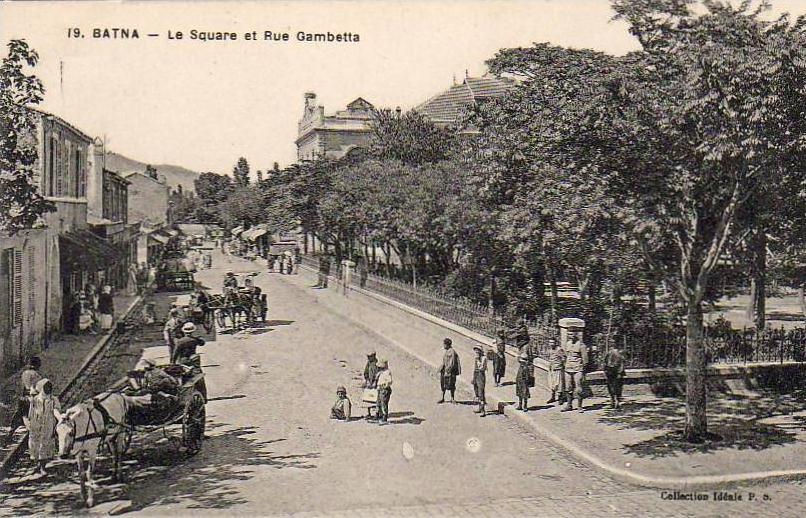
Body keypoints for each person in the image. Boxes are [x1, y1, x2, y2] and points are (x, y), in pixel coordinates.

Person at [27, 378, 61, 476]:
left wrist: (60, 419)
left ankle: (42, 467)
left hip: (48, 424)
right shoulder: (35, 400)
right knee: (35, 444)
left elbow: (56, 410)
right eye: (46, 387)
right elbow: (31, 413)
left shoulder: (53, 400)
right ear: (41, 388)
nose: (48, 389)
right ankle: (38, 465)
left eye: (49, 387)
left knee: (45, 444)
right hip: (36, 424)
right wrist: (29, 424)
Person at [562, 326, 589, 412]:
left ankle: (579, 406)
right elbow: (566, 356)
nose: (570, 336)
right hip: (568, 368)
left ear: (576, 334)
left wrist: (582, 371)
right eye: (569, 334)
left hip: (578, 369)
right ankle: (569, 405)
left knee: (579, 388)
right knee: (568, 387)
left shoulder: (581, 345)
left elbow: (585, 360)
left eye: (572, 334)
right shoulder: (567, 344)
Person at [603, 344, 627, 409]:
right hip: (611, 372)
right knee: (611, 387)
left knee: (617, 387)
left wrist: (620, 372)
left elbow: (622, 364)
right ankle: (613, 400)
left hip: (616, 372)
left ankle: (616, 401)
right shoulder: (609, 353)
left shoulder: (620, 353)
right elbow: (605, 362)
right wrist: (605, 370)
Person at [438, 338, 461, 404]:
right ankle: (442, 398)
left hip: (450, 372)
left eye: (444, 344)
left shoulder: (452, 352)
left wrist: (447, 371)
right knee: (443, 384)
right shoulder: (447, 351)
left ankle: (452, 398)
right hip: (444, 370)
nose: (443, 345)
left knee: (451, 384)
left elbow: (452, 363)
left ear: (447, 345)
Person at [547, 338, 566, 404]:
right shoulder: (550, 349)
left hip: (558, 369)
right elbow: (550, 358)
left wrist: (561, 365)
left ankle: (560, 397)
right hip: (551, 368)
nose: (551, 344)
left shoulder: (559, 349)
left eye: (553, 342)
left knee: (559, 384)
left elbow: (564, 358)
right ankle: (553, 397)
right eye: (550, 342)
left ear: (555, 343)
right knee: (552, 383)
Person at [375, 359, 392, 425]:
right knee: (378, 402)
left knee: (383, 404)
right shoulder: (381, 372)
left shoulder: (387, 372)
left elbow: (389, 381)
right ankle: (378, 415)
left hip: (384, 390)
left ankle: (384, 418)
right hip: (380, 389)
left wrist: (384, 386)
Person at [472, 346, 488, 416]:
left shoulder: (484, 358)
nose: (476, 352)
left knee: (481, 392)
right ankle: (479, 407)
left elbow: (482, 368)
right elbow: (475, 368)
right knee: (477, 392)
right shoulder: (476, 358)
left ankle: (483, 410)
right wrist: (473, 378)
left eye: (478, 350)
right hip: (476, 375)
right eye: (476, 350)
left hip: (481, 375)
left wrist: (478, 360)